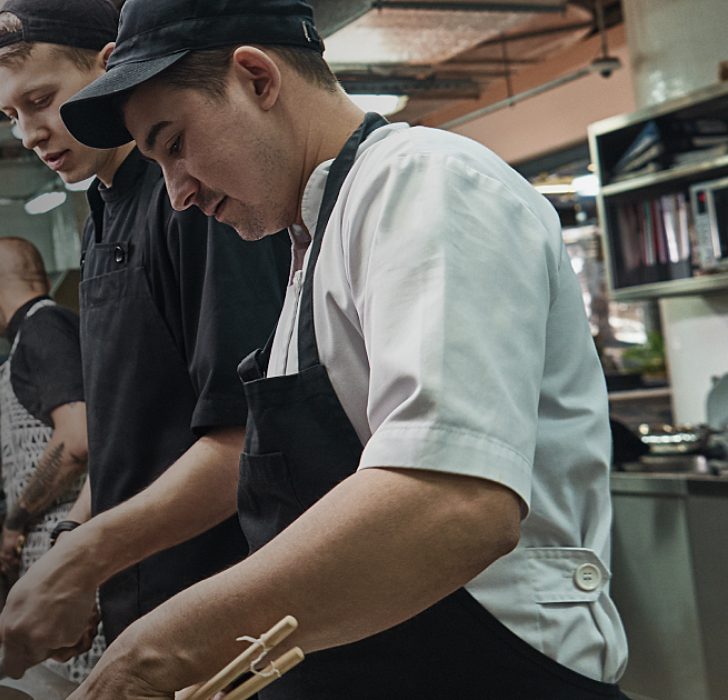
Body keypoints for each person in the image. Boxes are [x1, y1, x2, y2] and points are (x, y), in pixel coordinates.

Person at [53, 0, 630, 697]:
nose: (176, 194)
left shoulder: (423, 184)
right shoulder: (309, 242)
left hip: (496, 672)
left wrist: (167, 644)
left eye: (174, 144)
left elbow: (451, 504)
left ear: (258, 79)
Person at [0, 0, 291, 680]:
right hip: (140, 614)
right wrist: (76, 547)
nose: (28, 133)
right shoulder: (100, 216)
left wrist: (85, 557)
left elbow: (247, 440)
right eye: (10, 114)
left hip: (219, 618)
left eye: (41, 99)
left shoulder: (197, 202)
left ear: (107, 68)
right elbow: (132, 437)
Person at [0, 236, 101, 683]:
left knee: (81, 684)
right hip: (62, 555)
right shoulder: (48, 326)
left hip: (69, 548)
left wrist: (15, 519)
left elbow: (78, 438)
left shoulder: (42, 328)